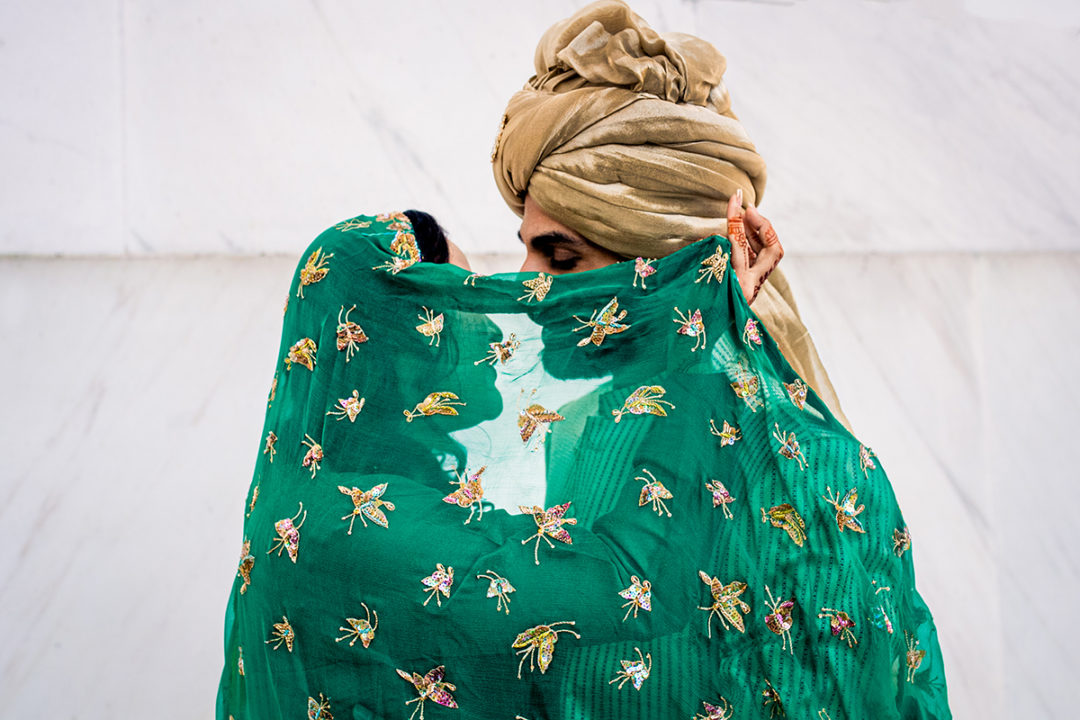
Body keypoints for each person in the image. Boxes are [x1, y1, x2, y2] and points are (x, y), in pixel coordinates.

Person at [215, 3, 950, 719]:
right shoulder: (372, 515)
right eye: (456, 309)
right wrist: (700, 342)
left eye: (557, 256)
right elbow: (620, 586)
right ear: (392, 346)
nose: (522, 298)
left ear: (660, 265)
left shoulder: (821, 470)